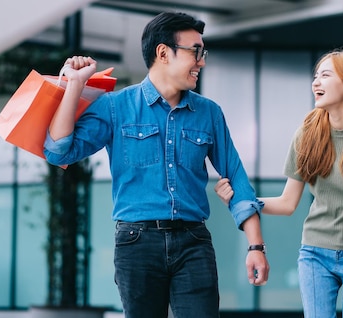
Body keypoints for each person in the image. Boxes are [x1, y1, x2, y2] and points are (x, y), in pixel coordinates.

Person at [43, 11, 269, 318]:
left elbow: (236, 176)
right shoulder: (116, 107)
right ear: (163, 53)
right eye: (195, 52)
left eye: (203, 53)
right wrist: (74, 85)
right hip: (137, 244)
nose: (201, 62)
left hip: (193, 242)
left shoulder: (209, 113)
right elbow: (59, 152)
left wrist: (256, 247)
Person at [214, 47, 343, 318]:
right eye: (315, 76)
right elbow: (288, 203)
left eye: (325, 75)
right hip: (315, 253)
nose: (316, 82)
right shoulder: (308, 134)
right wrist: (240, 201)